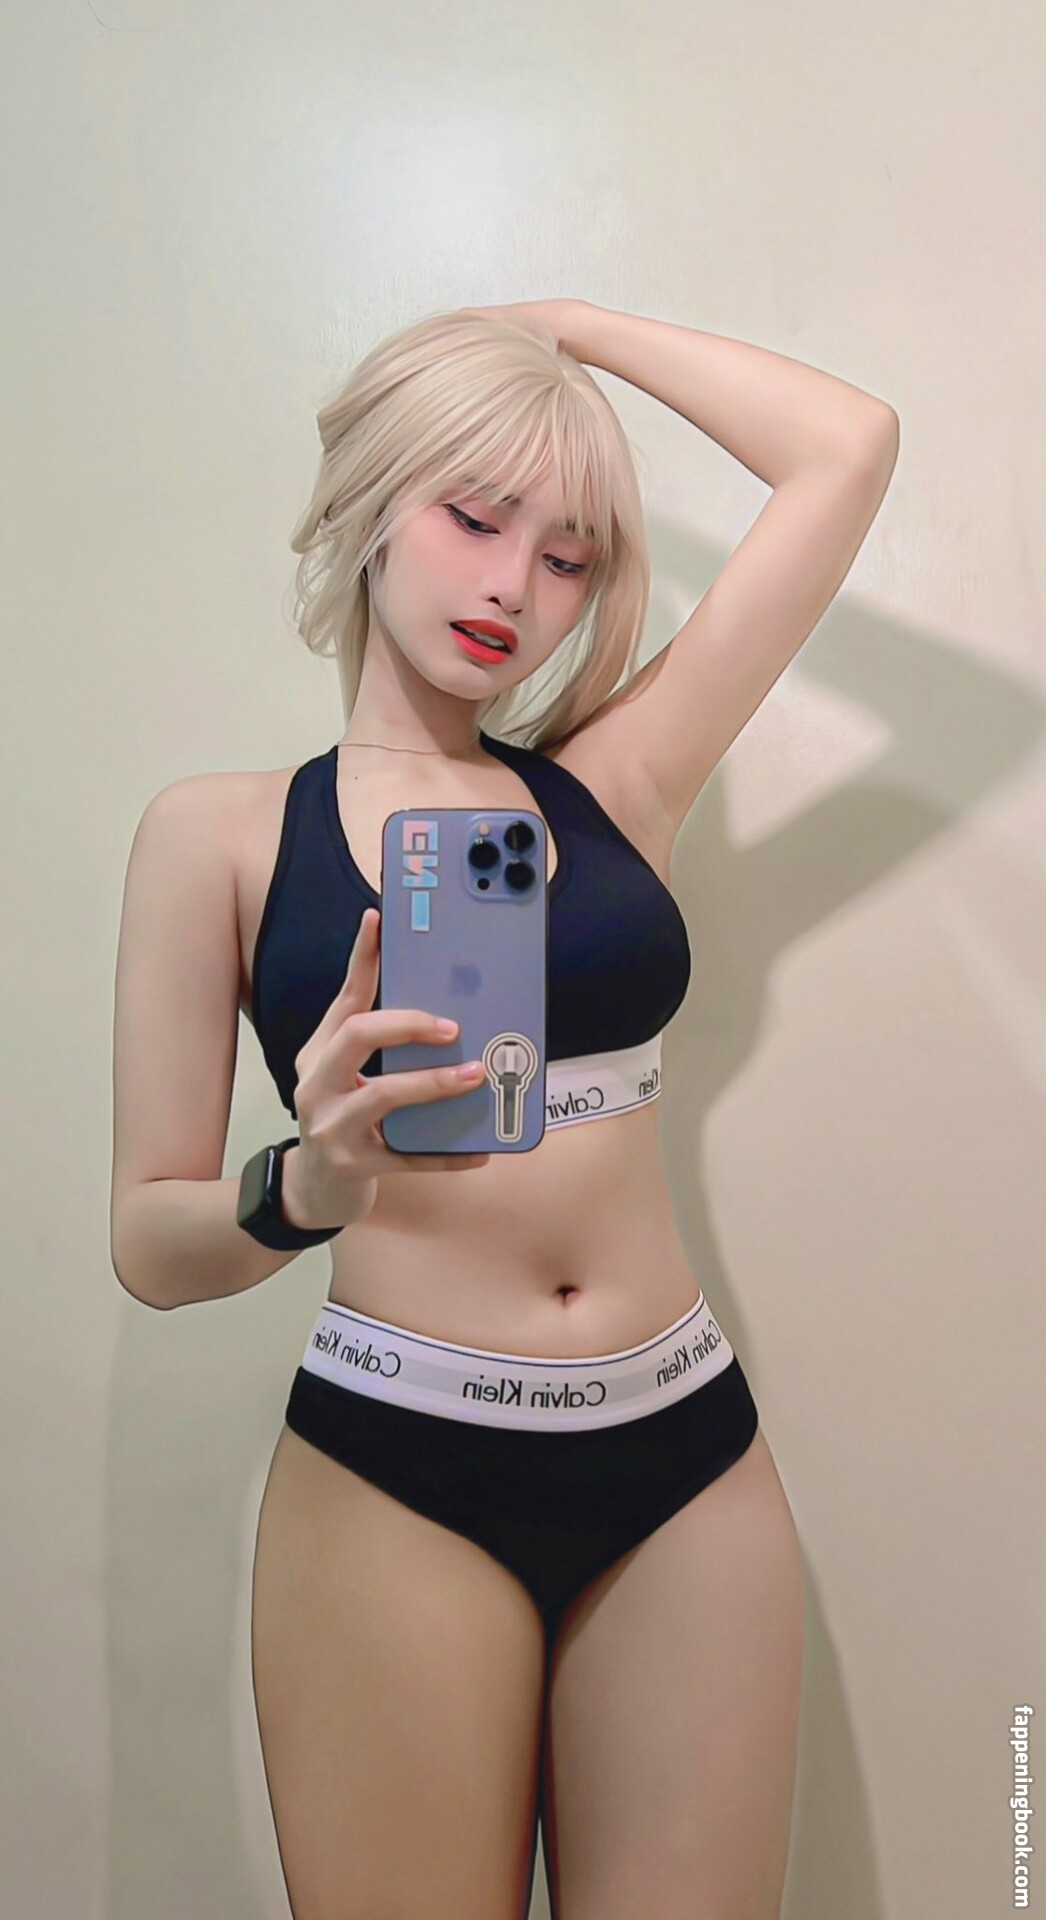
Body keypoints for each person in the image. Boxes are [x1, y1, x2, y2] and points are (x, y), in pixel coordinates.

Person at [112, 303, 895, 1918]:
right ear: (369, 502)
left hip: (683, 1454)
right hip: (401, 1466)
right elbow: (148, 1242)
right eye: (472, 517)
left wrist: (559, 331)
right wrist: (301, 1188)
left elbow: (846, 449)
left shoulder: (615, 783)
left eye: (566, 556)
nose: (512, 589)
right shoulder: (220, 838)